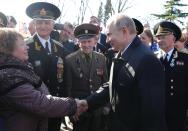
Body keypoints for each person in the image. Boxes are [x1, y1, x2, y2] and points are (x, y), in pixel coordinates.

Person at [79, 14, 167, 131]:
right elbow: (112, 85)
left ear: (124, 31)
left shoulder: (147, 59)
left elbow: (152, 111)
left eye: (109, 34)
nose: (107, 40)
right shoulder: (122, 53)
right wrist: (88, 102)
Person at [0, 28, 87, 131]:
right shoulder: (9, 75)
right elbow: (39, 103)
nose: (27, 47)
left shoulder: (19, 68)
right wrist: (73, 104)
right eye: (22, 44)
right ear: (9, 48)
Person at [25, 2, 69, 131]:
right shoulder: (26, 46)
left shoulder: (60, 48)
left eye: (46, 22)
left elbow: (64, 76)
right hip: (35, 105)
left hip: (56, 103)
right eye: (39, 22)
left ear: (53, 25)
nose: (43, 26)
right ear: (34, 24)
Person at [65, 23, 108, 131]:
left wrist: (106, 106)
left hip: (97, 109)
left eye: (89, 41)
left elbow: (106, 83)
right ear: (78, 42)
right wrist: (71, 110)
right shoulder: (70, 60)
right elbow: (68, 88)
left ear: (95, 41)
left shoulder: (101, 58)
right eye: (83, 42)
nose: (86, 45)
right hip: (79, 110)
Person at [154, 21, 188, 131]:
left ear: (173, 38)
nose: (159, 40)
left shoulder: (186, 58)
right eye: (158, 37)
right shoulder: (152, 59)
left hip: (178, 109)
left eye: (163, 36)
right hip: (157, 109)